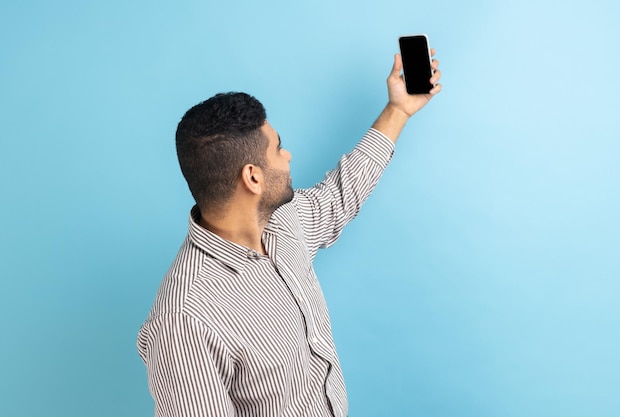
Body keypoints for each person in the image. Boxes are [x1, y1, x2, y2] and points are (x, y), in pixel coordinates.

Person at [137, 51, 442, 417]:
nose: (289, 156)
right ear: (253, 177)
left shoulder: (283, 221)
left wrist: (398, 111)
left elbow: (338, 196)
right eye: (278, 148)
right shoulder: (185, 319)